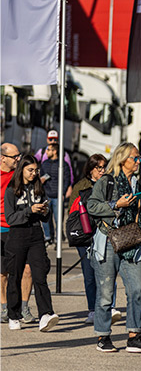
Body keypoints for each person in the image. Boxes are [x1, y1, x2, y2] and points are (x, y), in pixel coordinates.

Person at [86, 143, 141, 353]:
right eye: (135, 158)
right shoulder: (106, 181)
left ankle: (134, 336)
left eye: (139, 158)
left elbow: (140, 217)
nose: (138, 162)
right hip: (108, 240)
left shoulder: (136, 184)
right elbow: (92, 206)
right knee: (106, 292)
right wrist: (116, 205)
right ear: (122, 159)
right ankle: (103, 336)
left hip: (132, 243)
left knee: (136, 290)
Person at [4, 155, 59, 332]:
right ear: (21, 170)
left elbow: (46, 217)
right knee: (15, 275)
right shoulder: (11, 190)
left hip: (36, 234)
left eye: (36, 170)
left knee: (39, 275)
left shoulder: (38, 187)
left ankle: (46, 314)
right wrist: (29, 210)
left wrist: (44, 211)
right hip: (17, 235)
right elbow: (11, 218)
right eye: (30, 170)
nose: (34, 174)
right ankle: (13, 314)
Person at [69, 155, 121, 325]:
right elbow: (73, 213)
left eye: (104, 167)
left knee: (109, 272)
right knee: (89, 274)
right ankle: (92, 309)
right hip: (86, 235)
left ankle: (109, 307)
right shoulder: (80, 186)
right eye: (98, 168)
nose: (102, 170)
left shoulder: (110, 183)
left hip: (106, 233)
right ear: (90, 169)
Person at [0, 144, 34, 324]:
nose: (18, 159)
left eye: (19, 156)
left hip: (20, 226)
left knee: (27, 269)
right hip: (1, 229)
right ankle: (5, 307)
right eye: (14, 157)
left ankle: (24, 307)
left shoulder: (20, 174)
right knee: (3, 271)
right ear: (2, 158)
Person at [39, 142, 73, 244]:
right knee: (46, 218)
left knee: (58, 220)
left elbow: (66, 180)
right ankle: (49, 237)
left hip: (58, 196)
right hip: (47, 195)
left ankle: (58, 240)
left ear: (55, 151)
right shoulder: (44, 164)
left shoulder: (63, 165)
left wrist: (62, 193)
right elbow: (41, 176)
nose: (46, 152)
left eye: (49, 150)